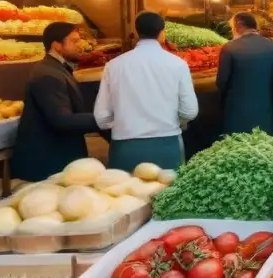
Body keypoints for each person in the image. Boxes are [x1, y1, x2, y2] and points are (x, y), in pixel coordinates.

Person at [94, 11, 197, 171]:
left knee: (124, 194)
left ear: (136, 32)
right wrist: (177, 122)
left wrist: (123, 125)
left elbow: (102, 117)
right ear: (162, 33)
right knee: (167, 193)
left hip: (125, 147)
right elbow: (190, 111)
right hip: (167, 145)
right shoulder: (177, 64)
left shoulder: (113, 66)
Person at [11, 22, 102, 182]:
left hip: (58, 156)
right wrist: (105, 118)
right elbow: (61, 119)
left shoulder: (57, 68)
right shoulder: (47, 75)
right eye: (73, 41)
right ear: (57, 45)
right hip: (48, 161)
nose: (79, 46)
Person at [215, 12, 273, 135]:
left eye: (231, 27)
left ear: (238, 25)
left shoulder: (229, 48)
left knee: (238, 147)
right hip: (265, 110)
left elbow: (221, 82)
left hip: (237, 112)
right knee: (264, 147)